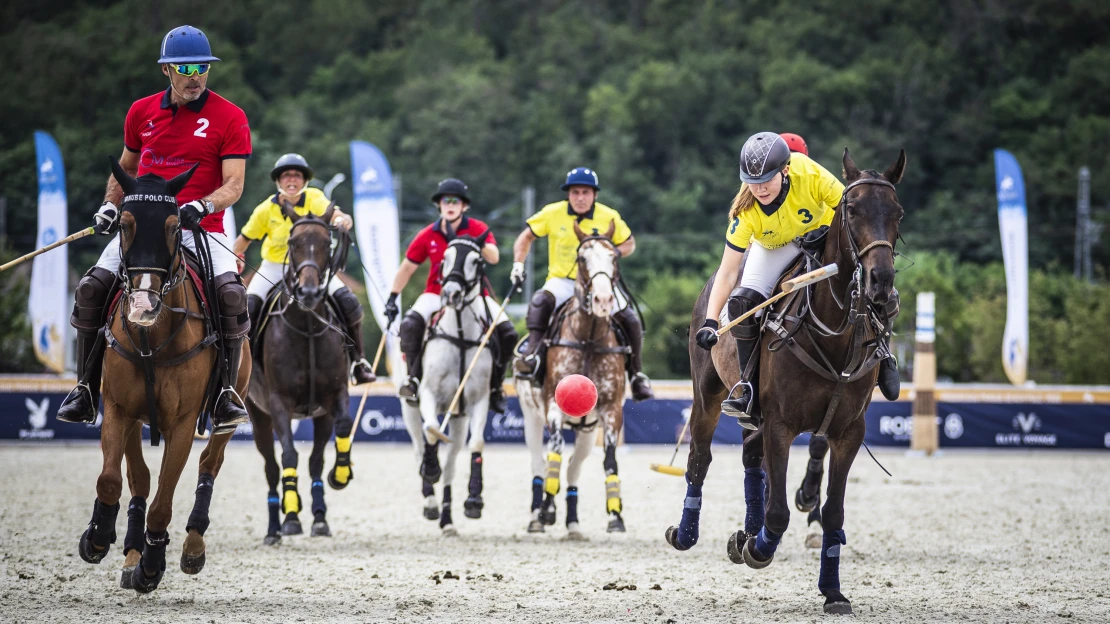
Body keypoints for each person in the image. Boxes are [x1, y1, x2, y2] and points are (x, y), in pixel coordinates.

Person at [56, 25, 253, 434]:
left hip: (199, 227)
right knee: (91, 288)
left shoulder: (230, 116)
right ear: (166, 70)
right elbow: (126, 170)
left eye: (202, 66)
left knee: (232, 296)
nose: (195, 75)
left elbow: (234, 183)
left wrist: (203, 203)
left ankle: (224, 395)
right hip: (141, 225)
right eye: (185, 67)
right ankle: (85, 389)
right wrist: (110, 207)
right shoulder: (141, 112)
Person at [694, 132, 898, 430]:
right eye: (752, 181)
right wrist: (711, 321)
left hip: (824, 236)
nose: (759, 188)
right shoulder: (746, 211)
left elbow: (852, 211)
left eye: (766, 179)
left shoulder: (810, 172)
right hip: (772, 247)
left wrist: (829, 233)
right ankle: (747, 389)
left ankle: (883, 355)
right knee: (741, 303)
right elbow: (726, 272)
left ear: (785, 169)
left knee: (879, 286)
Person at [510, 167, 654, 401]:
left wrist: (612, 252)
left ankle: (637, 374)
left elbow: (630, 243)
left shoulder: (609, 216)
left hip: (600, 282)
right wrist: (518, 264)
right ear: (568, 194)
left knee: (630, 318)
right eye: (575, 192)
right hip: (563, 281)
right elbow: (526, 236)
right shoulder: (552, 213)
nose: (579, 197)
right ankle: (533, 354)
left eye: (585, 192)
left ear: (594, 195)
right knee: (539, 301)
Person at [233, 153, 376, 384]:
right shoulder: (265, 210)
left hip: (312, 268)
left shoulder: (314, 198)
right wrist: (237, 256)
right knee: (249, 309)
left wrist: (342, 220)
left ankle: (358, 361)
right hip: (274, 267)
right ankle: (245, 369)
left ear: (304, 180)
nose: (292, 180)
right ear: (278, 181)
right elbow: (244, 239)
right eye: (286, 175)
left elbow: (337, 214)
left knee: (348, 302)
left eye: (297, 175)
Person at [384, 179, 518, 413]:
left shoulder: (477, 228)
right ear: (440, 205)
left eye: (455, 201)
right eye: (446, 200)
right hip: (437, 294)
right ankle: (413, 378)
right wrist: (393, 297)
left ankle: (496, 387)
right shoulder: (428, 234)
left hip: (474, 297)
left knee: (508, 333)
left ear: (464, 206)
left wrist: (476, 243)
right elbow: (407, 268)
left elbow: (494, 257)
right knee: (410, 324)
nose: (450, 205)